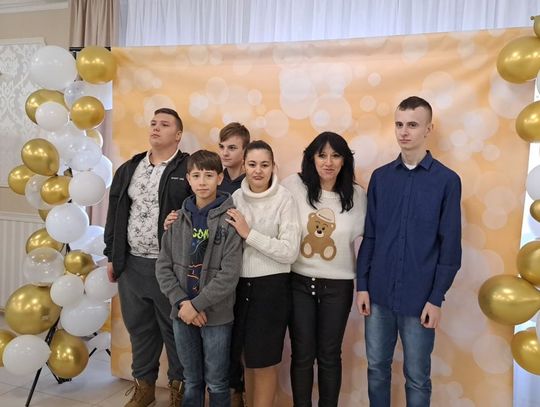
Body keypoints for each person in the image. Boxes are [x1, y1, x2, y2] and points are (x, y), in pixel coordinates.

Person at [356, 96, 462, 407]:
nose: (404, 132)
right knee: (377, 369)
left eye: (412, 125)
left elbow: (450, 246)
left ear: (428, 129)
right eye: (399, 124)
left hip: (420, 299)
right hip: (378, 295)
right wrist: (362, 286)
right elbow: (370, 236)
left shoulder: (447, 181)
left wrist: (436, 297)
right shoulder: (381, 178)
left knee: (417, 377)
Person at [104, 108, 189, 407]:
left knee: (177, 332)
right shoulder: (130, 168)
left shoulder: (188, 168)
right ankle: (144, 388)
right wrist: (112, 255)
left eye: (164, 124)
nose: (156, 128)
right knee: (139, 330)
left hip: (170, 268)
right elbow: (114, 213)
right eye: (153, 123)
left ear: (178, 134)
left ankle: (179, 390)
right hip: (132, 265)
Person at [282, 132, 367, 407]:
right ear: (312, 159)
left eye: (335, 155)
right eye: (322, 155)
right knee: (302, 355)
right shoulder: (293, 186)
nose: (328, 162)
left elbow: (372, 242)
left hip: (338, 286)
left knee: (330, 355)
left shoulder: (357, 196)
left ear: (344, 161)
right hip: (298, 282)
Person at [156, 150, 243, 407]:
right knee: (191, 379)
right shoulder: (176, 220)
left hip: (216, 315)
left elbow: (229, 275)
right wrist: (183, 303)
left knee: (217, 381)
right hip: (182, 313)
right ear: (188, 179)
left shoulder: (230, 221)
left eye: (208, 175)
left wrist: (197, 305)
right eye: (196, 176)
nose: (202, 182)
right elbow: (163, 267)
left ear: (220, 178)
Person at [227, 140, 301, 407]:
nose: (258, 170)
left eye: (264, 165)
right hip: (238, 287)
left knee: (265, 361)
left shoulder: (284, 199)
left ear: (273, 167)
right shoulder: (235, 198)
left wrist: (249, 234)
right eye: (252, 164)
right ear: (244, 167)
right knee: (246, 357)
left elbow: (289, 251)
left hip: (272, 289)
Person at [217, 122, 251, 195]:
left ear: (245, 150)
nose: (225, 153)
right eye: (221, 147)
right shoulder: (215, 181)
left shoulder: (252, 183)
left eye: (232, 148)